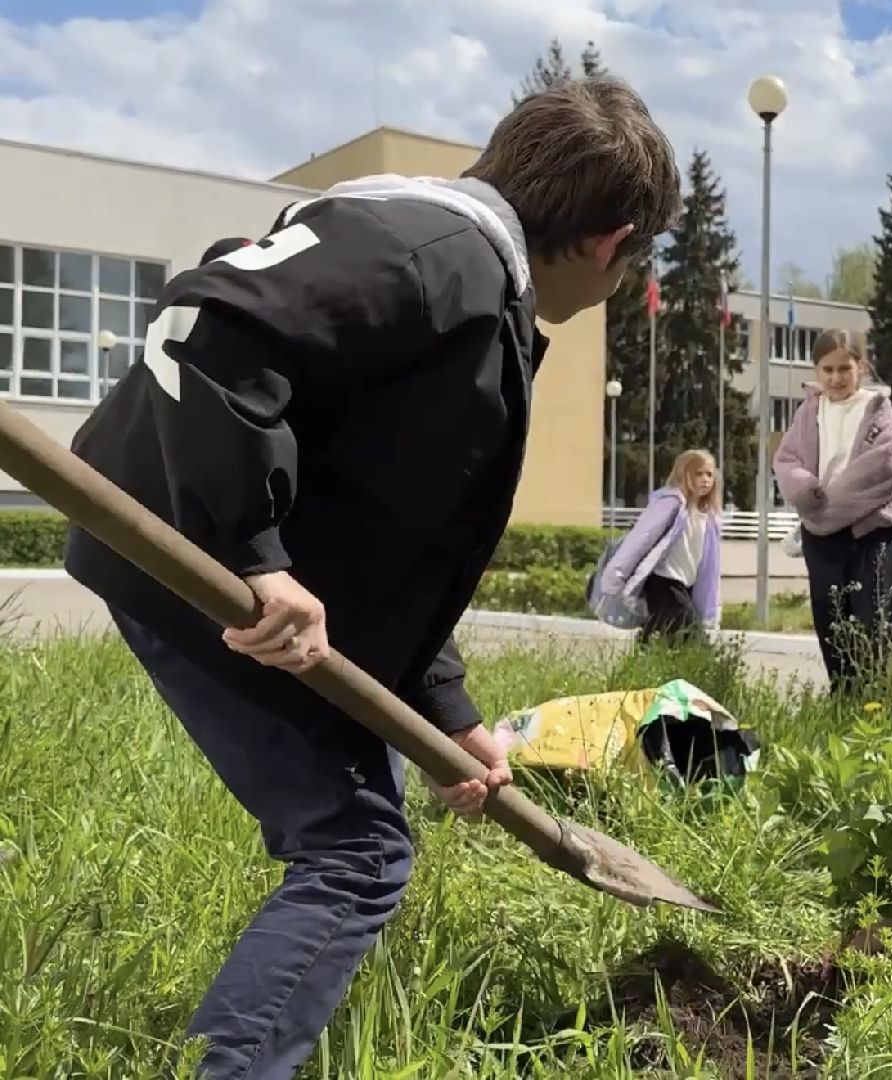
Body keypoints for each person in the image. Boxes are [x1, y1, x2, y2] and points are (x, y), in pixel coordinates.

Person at [63, 75, 681, 1079]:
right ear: (611, 245)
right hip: (189, 563)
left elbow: (390, 538)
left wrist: (445, 714)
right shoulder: (440, 261)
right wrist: (255, 553)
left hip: (224, 562)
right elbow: (207, 332)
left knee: (375, 791)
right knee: (359, 850)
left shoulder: (438, 254)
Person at [773, 329, 892, 692]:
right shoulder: (809, 411)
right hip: (822, 542)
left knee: (876, 626)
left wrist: (824, 511)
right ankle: (843, 702)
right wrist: (803, 488)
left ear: (860, 367)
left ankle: (883, 708)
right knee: (832, 624)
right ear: (816, 370)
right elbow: (787, 459)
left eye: (844, 369)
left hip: (869, 536)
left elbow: (885, 469)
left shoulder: (878, 412)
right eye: (827, 369)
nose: (835, 378)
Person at [600, 449, 723, 643]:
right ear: (684, 474)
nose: (705, 480)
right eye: (698, 474)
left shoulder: (709, 518)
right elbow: (640, 539)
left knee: (661, 639)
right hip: (663, 581)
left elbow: (710, 569)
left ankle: (642, 666)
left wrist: (710, 609)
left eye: (709, 474)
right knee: (693, 641)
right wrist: (616, 576)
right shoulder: (671, 504)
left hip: (685, 586)